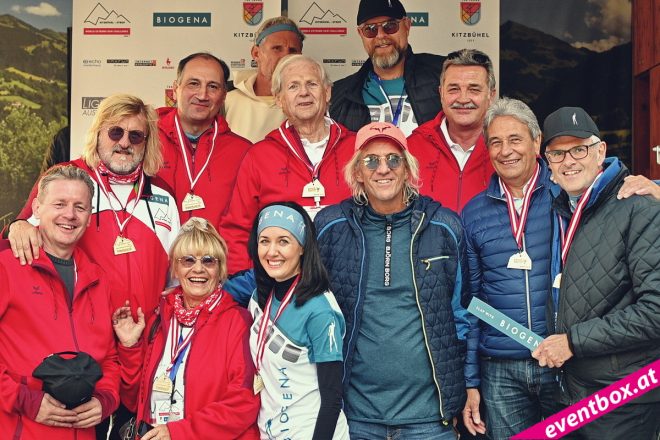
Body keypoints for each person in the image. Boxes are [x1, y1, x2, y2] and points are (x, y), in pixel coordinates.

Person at [6, 93, 180, 439]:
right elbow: (25, 235)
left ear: (147, 142)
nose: (124, 143)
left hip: (137, 352)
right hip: (80, 354)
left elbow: (176, 281)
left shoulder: (163, 195)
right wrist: (17, 225)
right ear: (98, 132)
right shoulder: (69, 180)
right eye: (115, 132)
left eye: (136, 136)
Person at [314, 122, 469, 439]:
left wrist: (466, 387)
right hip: (356, 417)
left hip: (429, 418)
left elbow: (464, 314)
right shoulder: (331, 226)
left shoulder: (443, 226)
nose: (383, 169)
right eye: (371, 161)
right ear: (357, 172)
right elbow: (297, 289)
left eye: (393, 159)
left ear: (408, 168)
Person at [532, 107, 660, 439]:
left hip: (624, 396)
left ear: (600, 151)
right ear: (547, 163)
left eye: (579, 149)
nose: (569, 161)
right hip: (574, 389)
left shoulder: (639, 207)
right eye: (557, 153)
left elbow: (656, 311)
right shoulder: (564, 209)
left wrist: (573, 342)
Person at [460, 98, 560, 439]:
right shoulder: (473, 213)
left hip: (561, 362)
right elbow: (472, 303)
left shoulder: (567, 195)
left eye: (515, 139)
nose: (506, 151)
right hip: (500, 371)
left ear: (536, 141)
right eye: (496, 142)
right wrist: (471, 381)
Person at [112, 217, 260, 440]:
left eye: (208, 261)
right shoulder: (159, 319)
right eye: (188, 260)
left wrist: (178, 432)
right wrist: (130, 347)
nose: (198, 269)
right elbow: (134, 400)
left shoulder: (237, 321)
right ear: (175, 267)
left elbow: (244, 402)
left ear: (220, 269)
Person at [0, 165, 119, 439]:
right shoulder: (7, 266)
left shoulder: (98, 279)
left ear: (89, 216)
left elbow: (109, 359)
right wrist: (21, 398)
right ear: (37, 208)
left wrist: (106, 399)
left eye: (80, 207)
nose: (70, 215)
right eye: (60, 204)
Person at [220, 54, 355, 274]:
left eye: (312, 84)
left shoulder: (357, 149)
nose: (304, 92)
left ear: (327, 92)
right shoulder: (259, 156)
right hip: (282, 282)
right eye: (293, 86)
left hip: (348, 278)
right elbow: (238, 229)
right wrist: (249, 283)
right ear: (279, 99)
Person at [248, 202, 348, 439]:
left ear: (302, 247)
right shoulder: (259, 297)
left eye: (283, 241)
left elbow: (332, 399)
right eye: (265, 241)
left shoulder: (320, 310)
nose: (272, 252)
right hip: (271, 430)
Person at [156, 52, 251, 228]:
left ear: (223, 96)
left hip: (218, 247)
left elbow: (243, 222)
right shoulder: (144, 141)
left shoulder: (243, 152)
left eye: (213, 87)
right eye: (193, 84)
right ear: (175, 89)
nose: (202, 95)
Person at [329, 0, 443, 135]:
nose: (380, 35)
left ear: (407, 26)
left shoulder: (443, 75)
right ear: (360, 34)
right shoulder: (337, 95)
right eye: (370, 29)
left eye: (390, 26)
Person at [408, 49, 496, 212]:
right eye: (454, 89)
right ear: (441, 93)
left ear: (491, 95)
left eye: (474, 89)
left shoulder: (509, 148)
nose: (463, 99)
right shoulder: (412, 147)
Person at [225, 16, 305, 143]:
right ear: (256, 53)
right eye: (277, 48)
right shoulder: (226, 99)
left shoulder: (307, 103)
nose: (286, 56)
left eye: (292, 50)